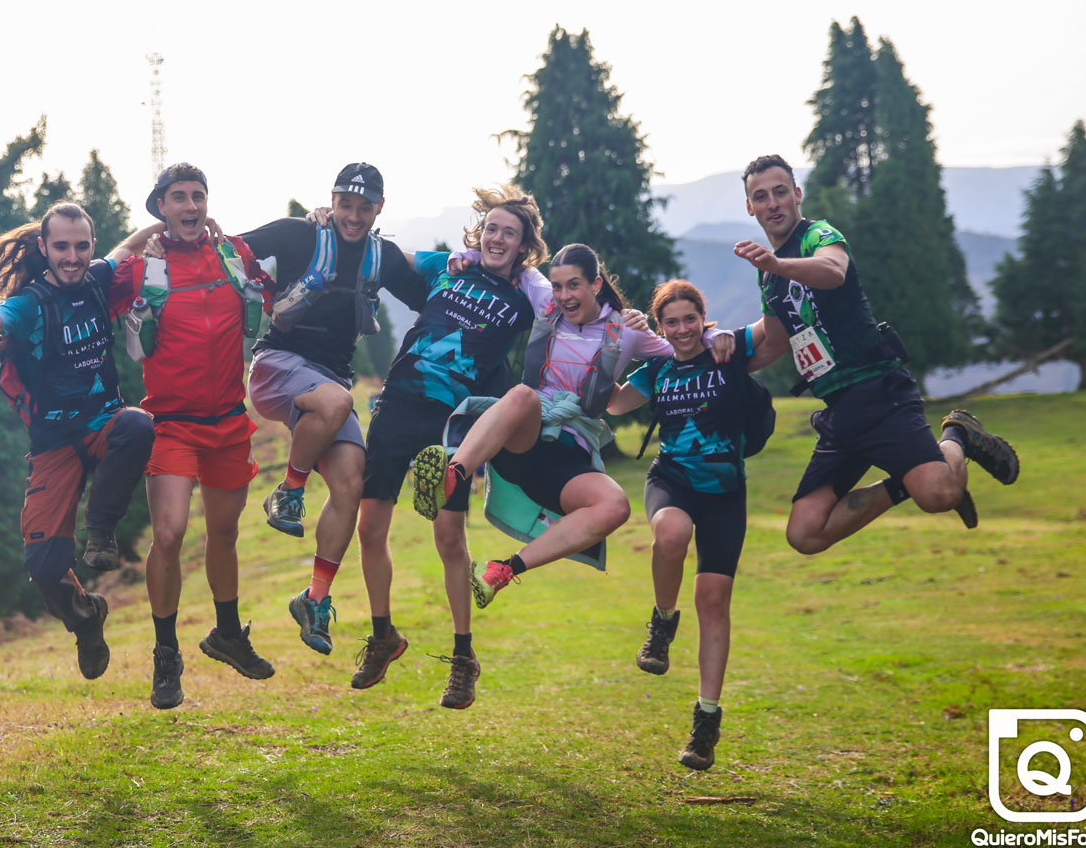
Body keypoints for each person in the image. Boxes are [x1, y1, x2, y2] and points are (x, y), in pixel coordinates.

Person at [731, 154, 1019, 556]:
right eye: (761, 197)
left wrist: (778, 264)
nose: (773, 203)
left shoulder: (819, 235)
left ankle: (958, 434)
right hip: (839, 412)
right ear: (750, 207)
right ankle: (905, 482)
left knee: (939, 495)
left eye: (780, 192)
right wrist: (713, 355)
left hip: (878, 391)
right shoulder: (768, 275)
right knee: (804, 534)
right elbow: (773, 341)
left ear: (797, 194)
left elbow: (833, 272)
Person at [0, 201, 156, 683]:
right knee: (44, 565)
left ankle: (101, 533)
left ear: (91, 245)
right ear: (44, 248)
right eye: (62, 247)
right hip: (54, 441)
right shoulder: (30, 304)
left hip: (105, 423)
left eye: (81, 246)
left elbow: (131, 245)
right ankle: (85, 617)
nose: (73, 257)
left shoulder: (98, 278)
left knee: (138, 425)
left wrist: (176, 221)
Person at [355, 186, 546, 708]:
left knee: (448, 538)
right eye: (491, 229)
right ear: (480, 233)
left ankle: (463, 658)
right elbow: (388, 254)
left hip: (454, 421)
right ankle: (382, 635)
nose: (497, 239)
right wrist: (330, 220)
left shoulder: (525, 297)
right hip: (397, 402)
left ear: (524, 245)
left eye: (509, 233)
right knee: (369, 528)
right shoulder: (447, 267)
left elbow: (573, 310)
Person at [411, 244, 677, 614]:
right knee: (523, 395)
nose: (564, 295)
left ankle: (503, 570)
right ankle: (452, 475)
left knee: (616, 506)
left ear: (596, 284)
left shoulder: (627, 330)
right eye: (557, 286)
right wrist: (465, 254)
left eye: (574, 285)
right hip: (523, 439)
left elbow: (686, 350)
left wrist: (720, 340)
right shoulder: (545, 301)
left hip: (566, 459)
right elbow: (506, 256)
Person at [237, 163, 428, 665]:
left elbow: (430, 299)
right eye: (345, 205)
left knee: (350, 484)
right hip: (276, 367)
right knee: (338, 401)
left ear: (380, 209)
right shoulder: (301, 233)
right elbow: (232, 249)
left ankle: (314, 599)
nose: (353, 216)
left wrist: (468, 270)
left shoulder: (382, 256)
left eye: (365, 208)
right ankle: (288, 492)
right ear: (332, 200)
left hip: (328, 383)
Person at [119, 163, 278, 709]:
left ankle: (227, 634)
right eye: (179, 198)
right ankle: (167, 655)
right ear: (161, 206)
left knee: (224, 534)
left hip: (229, 420)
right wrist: (146, 236)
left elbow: (285, 271)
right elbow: (100, 268)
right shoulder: (142, 268)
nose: (191, 206)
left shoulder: (234, 255)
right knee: (168, 535)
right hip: (171, 424)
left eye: (198, 197)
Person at [615, 279, 759, 772]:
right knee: (671, 533)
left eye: (690, 319)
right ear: (660, 327)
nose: (682, 330)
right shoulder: (656, 368)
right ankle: (663, 620)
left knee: (714, 602)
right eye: (670, 322)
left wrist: (731, 338)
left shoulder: (726, 354)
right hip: (672, 480)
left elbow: (775, 334)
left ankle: (706, 720)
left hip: (726, 492)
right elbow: (612, 403)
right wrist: (618, 339)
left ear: (703, 317)